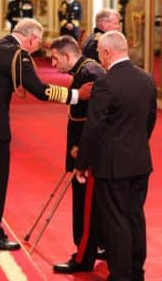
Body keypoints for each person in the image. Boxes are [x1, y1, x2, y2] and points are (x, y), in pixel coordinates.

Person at [0, 18, 92, 251]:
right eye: (38, 42)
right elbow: (41, 90)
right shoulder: (18, 56)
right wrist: (76, 96)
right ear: (31, 39)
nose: (37, 47)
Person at [75, 31, 157, 281]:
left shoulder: (105, 84)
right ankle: (136, 272)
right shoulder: (146, 78)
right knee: (135, 216)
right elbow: (150, 120)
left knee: (116, 221)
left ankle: (120, 275)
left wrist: (82, 163)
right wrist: (135, 145)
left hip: (112, 166)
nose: (99, 58)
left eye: (99, 53)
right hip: (140, 161)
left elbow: (93, 127)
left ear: (108, 52)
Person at [50, 35, 106, 274]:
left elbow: (96, 120)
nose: (53, 64)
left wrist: (81, 150)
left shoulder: (89, 74)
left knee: (84, 204)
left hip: (85, 153)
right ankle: (100, 246)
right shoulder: (84, 70)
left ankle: (83, 256)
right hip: (82, 149)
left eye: (54, 59)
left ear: (67, 55)